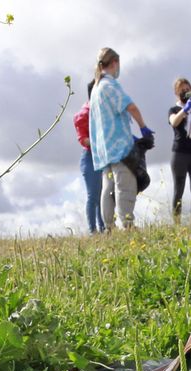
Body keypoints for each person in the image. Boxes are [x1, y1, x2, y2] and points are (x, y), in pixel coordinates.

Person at [88, 48, 150, 230]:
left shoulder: (96, 89)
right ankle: (128, 225)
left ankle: (109, 227)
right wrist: (143, 127)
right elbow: (130, 106)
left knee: (107, 188)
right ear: (114, 63)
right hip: (119, 147)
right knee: (125, 185)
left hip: (104, 149)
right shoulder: (110, 85)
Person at [168, 78, 191, 224]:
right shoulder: (174, 110)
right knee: (179, 190)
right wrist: (184, 110)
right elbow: (174, 121)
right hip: (179, 154)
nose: (186, 92)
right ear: (177, 92)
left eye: (188, 89)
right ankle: (177, 224)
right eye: (182, 90)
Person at [74, 80, 104, 234]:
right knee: (94, 195)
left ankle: (104, 229)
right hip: (90, 158)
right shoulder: (83, 114)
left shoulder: (103, 112)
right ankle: (93, 231)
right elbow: (83, 139)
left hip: (103, 156)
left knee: (103, 195)